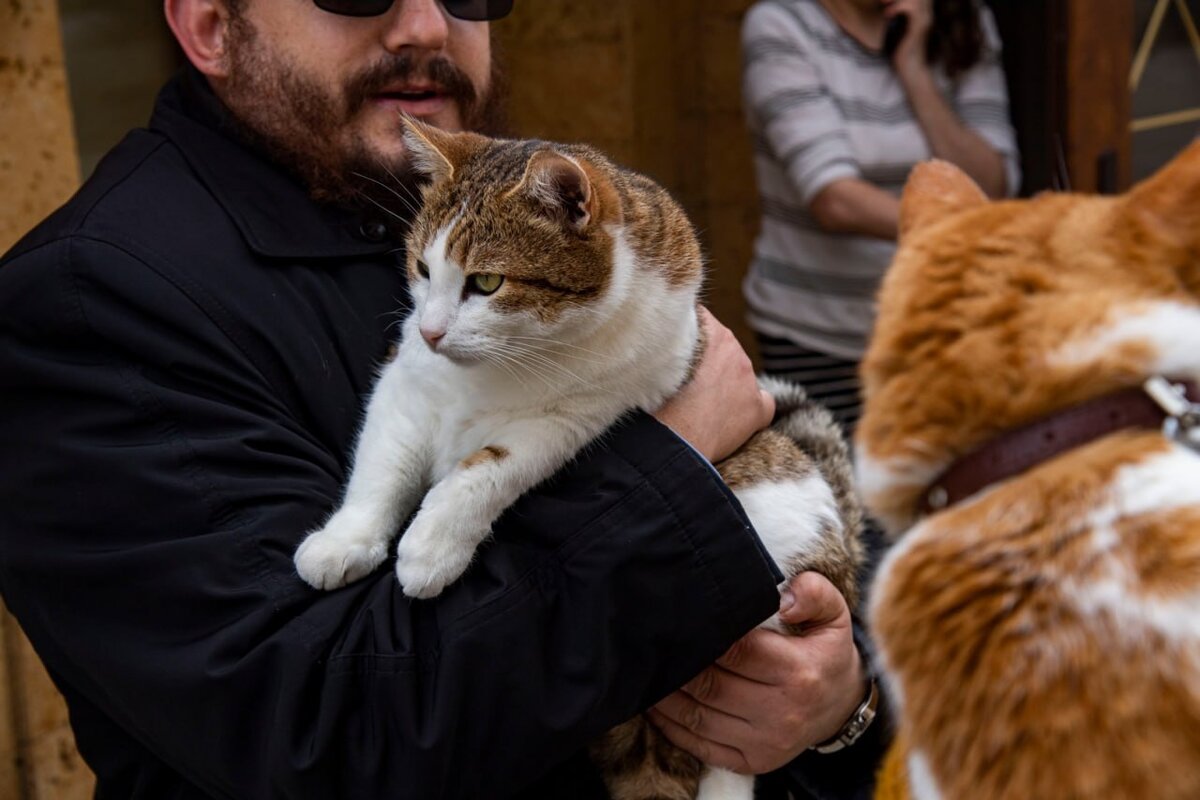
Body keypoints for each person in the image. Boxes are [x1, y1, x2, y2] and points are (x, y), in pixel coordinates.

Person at [0, 1, 883, 797]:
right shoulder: (89, 303)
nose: (427, 26)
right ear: (207, 24)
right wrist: (670, 467)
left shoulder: (505, 202)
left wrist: (833, 703)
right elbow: (320, 737)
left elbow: (756, 638)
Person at [741, 0, 1020, 438]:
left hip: (941, 329)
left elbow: (992, 184)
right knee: (844, 500)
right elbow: (835, 198)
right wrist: (970, 232)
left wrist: (914, 69)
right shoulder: (783, 24)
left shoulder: (963, 21)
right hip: (820, 335)